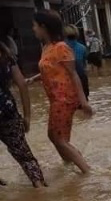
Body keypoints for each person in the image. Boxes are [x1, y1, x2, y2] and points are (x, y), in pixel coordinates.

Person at [32, 10, 93, 174]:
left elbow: (73, 75)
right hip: (55, 99)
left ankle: (87, 171)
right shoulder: (46, 48)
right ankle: (69, 163)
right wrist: (33, 79)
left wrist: (84, 102)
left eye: (35, 26)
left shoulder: (61, 47)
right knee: (53, 136)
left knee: (59, 139)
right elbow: (51, 69)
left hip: (64, 99)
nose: (33, 29)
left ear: (43, 27)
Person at [0, 41, 46, 187]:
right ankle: (39, 186)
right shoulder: (6, 56)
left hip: (7, 113)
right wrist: (27, 116)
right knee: (24, 155)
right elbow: (22, 84)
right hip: (8, 112)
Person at [65, 25, 90, 100]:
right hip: (81, 77)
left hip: (67, 79)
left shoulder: (61, 48)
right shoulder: (82, 47)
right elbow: (85, 64)